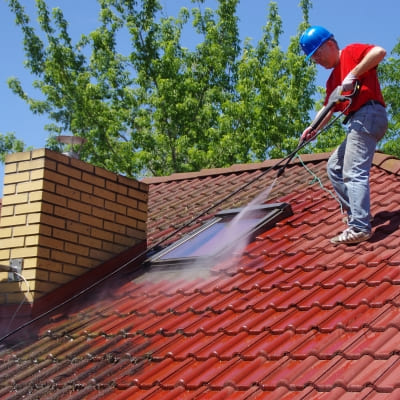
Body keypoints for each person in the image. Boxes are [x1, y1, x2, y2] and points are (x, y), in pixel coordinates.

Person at [299, 26, 388, 245]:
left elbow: (379, 52)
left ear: (330, 44)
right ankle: (356, 217)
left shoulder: (350, 52)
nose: (317, 61)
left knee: (352, 170)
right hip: (359, 120)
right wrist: (312, 128)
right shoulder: (332, 82)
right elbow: (329, 108)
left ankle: (360, 226)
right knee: (334, 167)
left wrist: (354, 73)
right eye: (313, 58)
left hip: (369, 113)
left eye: (317, 54)